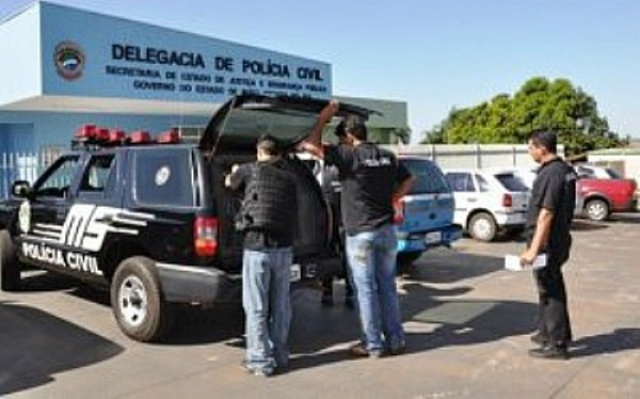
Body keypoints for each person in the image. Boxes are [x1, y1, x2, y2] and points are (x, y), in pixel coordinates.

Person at [301, 104, 414, 358]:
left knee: (366, 289)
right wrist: (393, 199)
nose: (341, 143)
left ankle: (373, 344)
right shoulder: (387, 155)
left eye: (342, 138)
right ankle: (396, 340)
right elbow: (409, 179)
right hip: (386, 232)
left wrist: (322, 118)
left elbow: (310, 145)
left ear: (350, 136)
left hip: (360, 234)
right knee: (387, 286)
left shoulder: (350, 155)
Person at [225, 134, 298, 377]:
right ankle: (280, 355)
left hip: (257, 247)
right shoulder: (290, 177)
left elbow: (228, 184)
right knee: (281, 305)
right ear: (278, 153)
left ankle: (259, 361)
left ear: (259, 152)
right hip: (284, 248)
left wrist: (234, 170)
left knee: (256, 306)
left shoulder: (248, 170)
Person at [520, 130, 577, 360]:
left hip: (547, 243)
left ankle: (557, 344)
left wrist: (534, 248)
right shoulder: (565, 170)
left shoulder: (551, 174)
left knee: (551, 291)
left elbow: (546, 213)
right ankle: (546, 332)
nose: (529, 151)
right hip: (558, 239)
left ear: (542, 148)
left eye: (530, 147)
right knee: (546, 288)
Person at [319, 121, 354, 308]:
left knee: (329, 253)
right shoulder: (354, 156)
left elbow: (311, 144)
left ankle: (327, 292)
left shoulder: (330, 153)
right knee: (349, 256)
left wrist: (321, 121)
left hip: (330, 215)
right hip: (348, 216)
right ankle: (350, 293)